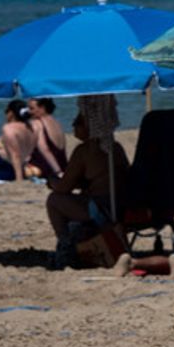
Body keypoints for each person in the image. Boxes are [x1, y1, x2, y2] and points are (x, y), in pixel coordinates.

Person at [44, 111, 131, 264]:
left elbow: (64, 187)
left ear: (90, 126)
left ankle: (66, 246)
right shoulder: (115, 147)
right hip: (122, 205)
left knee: (54, 200)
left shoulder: (85, 150)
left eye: (78, 122)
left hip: (103, 211)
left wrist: (51, 182)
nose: (73, 125)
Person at [27, 98, 68, 179]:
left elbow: (45, 150)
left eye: (32, 108)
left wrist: (58, 172)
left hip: (45, 169)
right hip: (63, 165)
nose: (29, 111)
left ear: (42, 108)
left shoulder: (37, 124)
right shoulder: (57, 123)